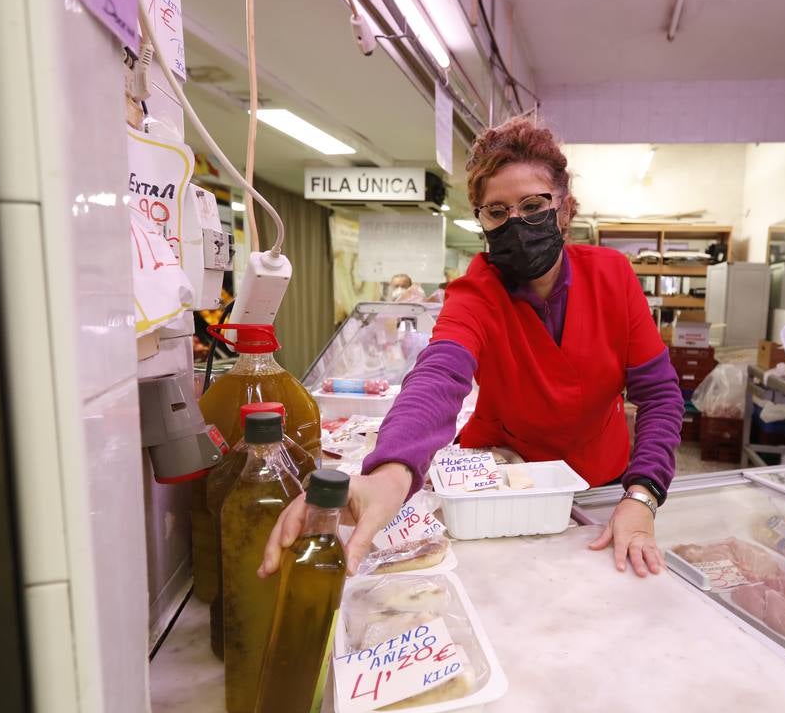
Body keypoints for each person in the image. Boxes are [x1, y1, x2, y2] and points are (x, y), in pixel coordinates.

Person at [261, 116, 683, 580]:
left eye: (533, 204)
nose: (516, 223)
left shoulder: (612, 276)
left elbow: (660, 394)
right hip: (501, 482)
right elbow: (439, 375)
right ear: (481, 219)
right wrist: (389, 473)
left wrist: (642, 495)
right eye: (497, 212)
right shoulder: (476, 291)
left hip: (601, 481)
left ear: (564, 209)